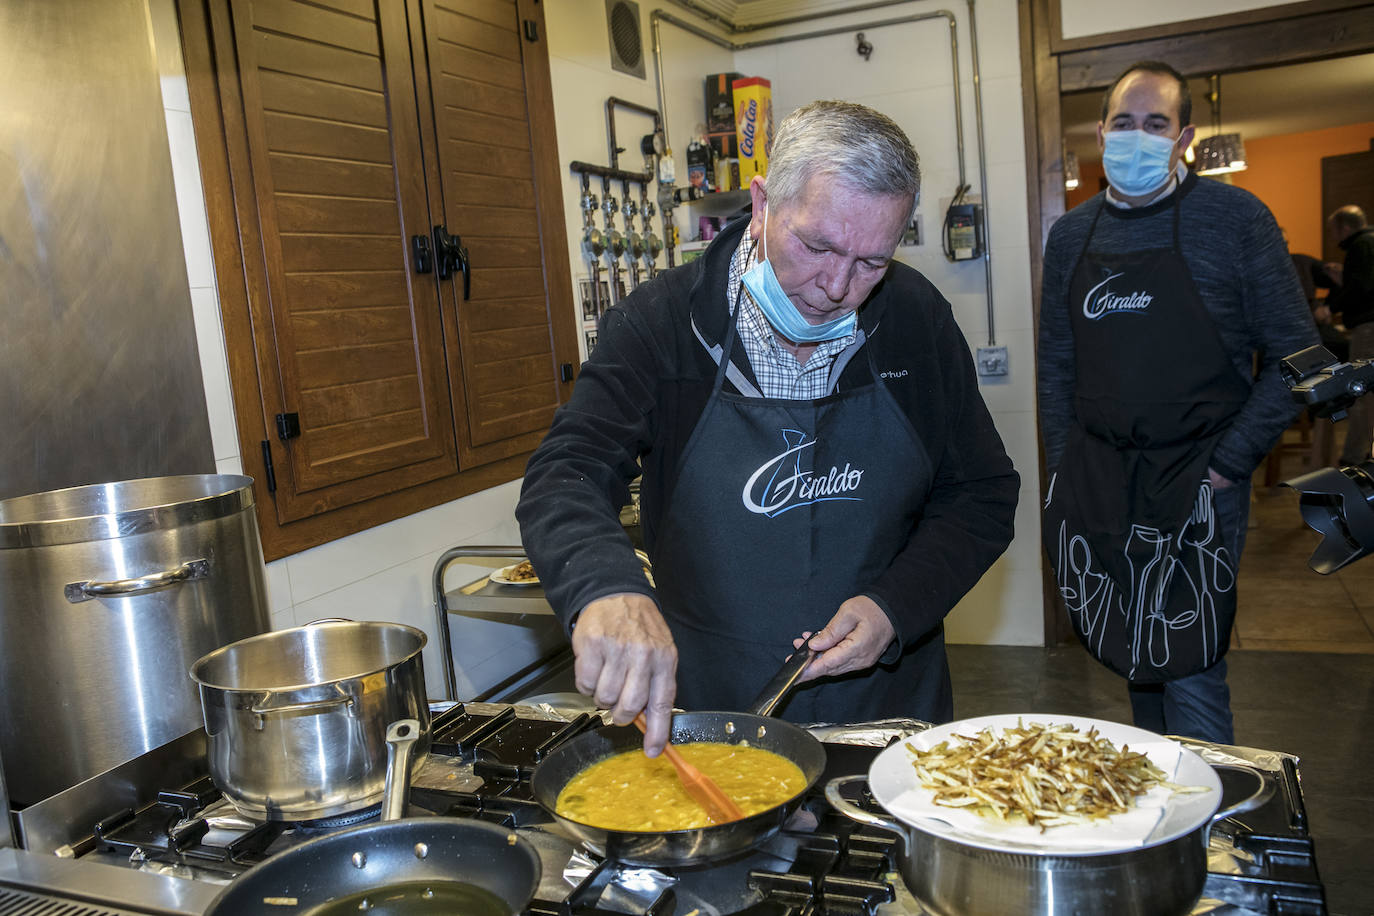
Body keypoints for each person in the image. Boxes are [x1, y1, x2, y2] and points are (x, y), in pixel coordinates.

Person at [517, 100, 1019, 756]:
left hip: (885, 721)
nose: (837, 285)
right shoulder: (661, 325)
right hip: (715, 721)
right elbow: (567, 471)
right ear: (761, 204)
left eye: (872, 261)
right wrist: (604, 587)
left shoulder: (916, 323)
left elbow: (981, 495)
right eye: (816, 245)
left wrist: (895, 607)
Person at [1037, 61, 1319, 744]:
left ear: (1184, 136)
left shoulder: (1235, 221)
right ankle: (1162, 811)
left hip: (1198, 478)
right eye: (1123, 124)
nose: (1137, 137)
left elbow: (1300, 360)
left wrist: (1228, 463)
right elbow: (1057, 366)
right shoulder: (1072, 235)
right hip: (1101, 478)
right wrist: (1060, 476)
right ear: (1101, 131)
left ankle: (1213, 832)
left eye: (1155, 124)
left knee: (1189, 660)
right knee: (1135, 656)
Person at [1325, 205, 1374, 464]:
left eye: (1333, 231)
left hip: (1368, 328)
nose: (1333, 237)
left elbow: (1361, 289)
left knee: (1361, 394)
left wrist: (1330, 307)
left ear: (1345, 228)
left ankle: (1354, 460)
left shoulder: (1359, 246)